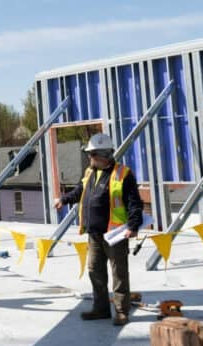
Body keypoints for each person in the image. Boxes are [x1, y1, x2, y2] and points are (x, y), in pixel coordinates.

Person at [54, 133, 143, 326]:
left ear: (102, 155)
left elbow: (134, 203)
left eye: (91, 154)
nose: (89, 158)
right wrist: (64, 199)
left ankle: (121, 311)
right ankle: (101, 309)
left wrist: (134, 225)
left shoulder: (123, 174)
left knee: (119, 274)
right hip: (94, 234)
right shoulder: (90, 172)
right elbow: (79, 191)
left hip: (115, 234)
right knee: (95, 271)